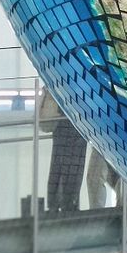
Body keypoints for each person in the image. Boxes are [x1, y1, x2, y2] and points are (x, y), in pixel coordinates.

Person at [40, 84, 88, 216]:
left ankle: (54, 203)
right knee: (74, 163)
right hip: (76, 113)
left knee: (59, 160)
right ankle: (69, 203)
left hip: (62, 113)